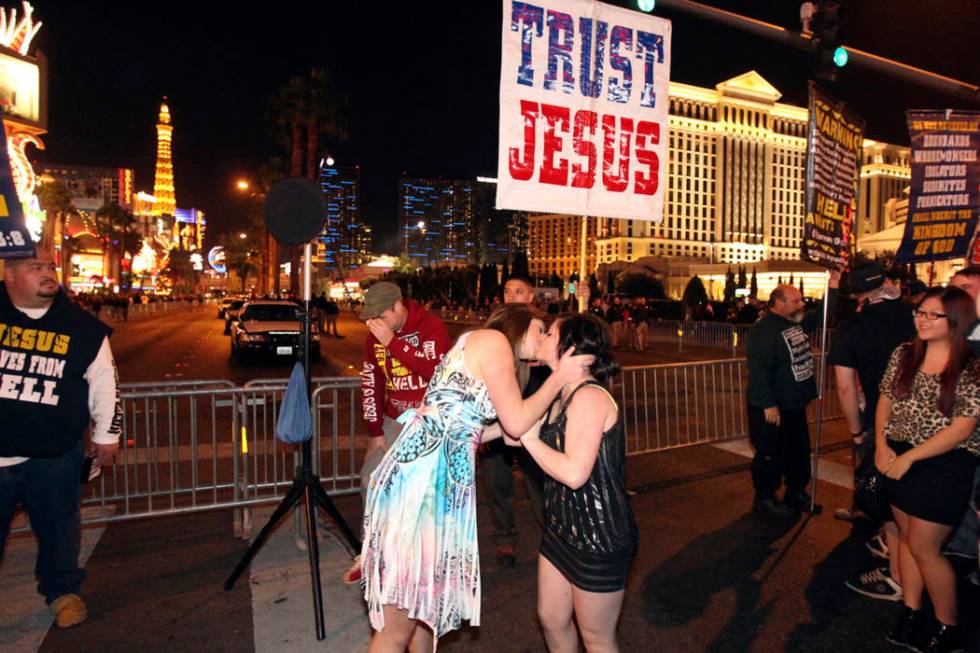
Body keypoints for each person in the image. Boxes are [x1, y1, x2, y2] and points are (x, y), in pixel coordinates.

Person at [360, 305, 593, 652]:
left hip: (432, 478)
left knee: (425, 609)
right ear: (518, 323)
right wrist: (557, 380)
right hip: (424, 482)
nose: (544, 337)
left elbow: (470, 429)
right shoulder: (494, 340)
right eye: (540, 328)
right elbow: (515, 423)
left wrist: (517, 427)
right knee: (399, 623)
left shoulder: (487, 348)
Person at [0, 248, 121, 628]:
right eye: (35, 268)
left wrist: (107, 435)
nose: (47, 273)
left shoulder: (81, 326)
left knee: (59, 529)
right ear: (10, 275)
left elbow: (105, 382)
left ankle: (63, 591)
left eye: (50, 266)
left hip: (55, 453)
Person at [516, 313, 637, 652]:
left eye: (550, 332)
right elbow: (516, 427)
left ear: (569, 349)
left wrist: (529, 440)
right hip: (561, 529)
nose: (541, 336)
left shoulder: (589, 397)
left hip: (599, 536)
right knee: (552, 620)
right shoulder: (558, 393)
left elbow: (574, 473)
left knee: (596, 637)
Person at [876, 287, 979, 653]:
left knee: (925, 547)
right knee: (906, 538)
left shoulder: (971, 366)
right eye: (920, 311)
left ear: (956, 321)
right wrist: (881, 445)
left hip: (944, 464)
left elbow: (962, 427)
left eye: (933, 315)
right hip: (898, 457)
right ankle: (912, 612)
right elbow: (885, 397)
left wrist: (911, 457)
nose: (922, 318)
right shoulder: (904, 353)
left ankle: (949, 627)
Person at [344, 281, 450, 585]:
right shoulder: (374, 336)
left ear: (397, 306)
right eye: (370, 318)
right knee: (371, 478)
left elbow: (436, 372)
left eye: (381, 316)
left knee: (421, 493)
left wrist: (393, 342)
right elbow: (371, 383)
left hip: (428, 421)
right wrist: (374, 431)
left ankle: (422, 561)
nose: (373, 324)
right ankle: (374, 552)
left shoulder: (430, 327)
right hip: (394, 420)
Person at [828, 261, 915, 602]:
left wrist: (856, 433)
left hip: (883, 424)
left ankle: (898, 576)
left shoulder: (852, 328)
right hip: (925, 424)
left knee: (891, 507)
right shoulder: (918, 316)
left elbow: (846, 388)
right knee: (913, 505)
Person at [745, 274, 839, 518]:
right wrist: (768, 404)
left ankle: (796, 491)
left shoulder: (793, 323)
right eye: (796, 301)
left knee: (797, 451)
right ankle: (764, 497)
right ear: (777, 302)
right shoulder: (763, 331)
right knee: (770, 453)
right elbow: (759, 369)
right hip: (772, 407)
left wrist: (834, 287)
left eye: (800, 300)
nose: (801, 304)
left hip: (793, 405)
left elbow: (821, 317)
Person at [481, 275, 547, 566]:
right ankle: (505, 538)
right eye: (507, 291)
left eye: (519, 291)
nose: (511, 296)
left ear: (531, 296)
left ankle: (553, 540)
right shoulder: (495, 331)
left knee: (539, 481)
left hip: (531, 420)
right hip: (496, 421)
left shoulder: (538, 328)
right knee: (496, 480)